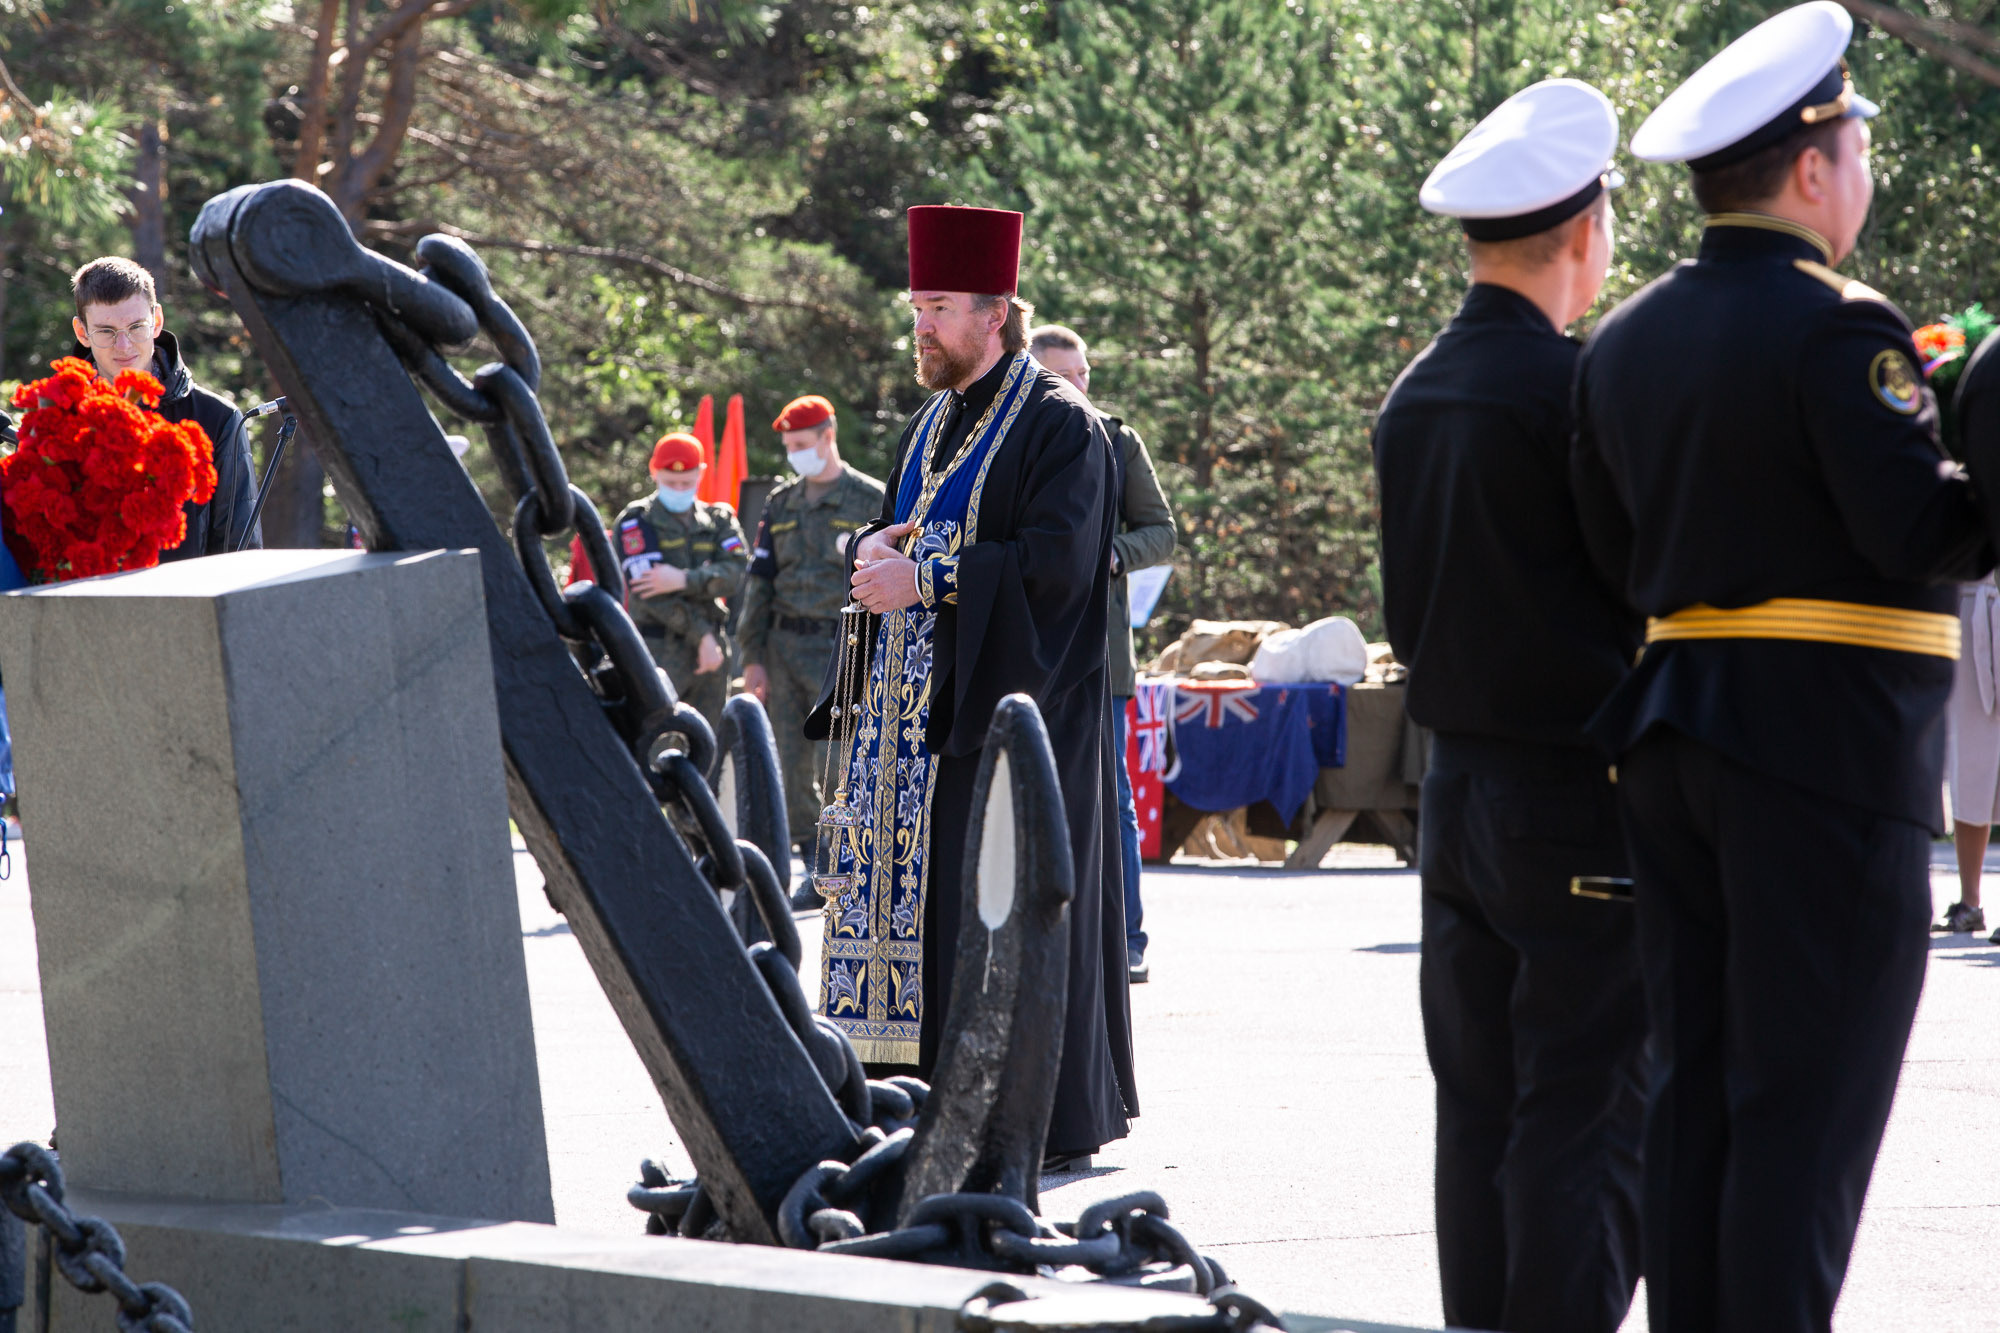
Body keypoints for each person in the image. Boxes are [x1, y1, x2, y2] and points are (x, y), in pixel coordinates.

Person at [1570, 7, 1993, 1330]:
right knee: (1805, 1110)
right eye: (1859, 149)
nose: (1864, 174)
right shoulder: (1836, 327)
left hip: (1675, 742)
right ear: (1813, 169)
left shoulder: (1627, 337)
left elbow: (1603, 545)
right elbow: (1924, 534)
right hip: (1826, 746)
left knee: (1697, 1090)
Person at [1374, 79, 1645, 1333]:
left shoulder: (1414, 392)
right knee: (1580, 1101)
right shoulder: (1572, 393)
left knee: (1473, 1098)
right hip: (1570, 791)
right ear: (1585, 232)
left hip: (1454, 787)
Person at [807, 204, 1135, 1168]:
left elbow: (1059, 567)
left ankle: (1030, 1119)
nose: (922, 326)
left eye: (939, 307)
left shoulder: (1062, 425)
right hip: (911, 727)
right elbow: (896, 536)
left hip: (1008, 717)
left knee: (1003, 906)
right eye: (917, 306)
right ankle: (915, 1102)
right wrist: (868, 551)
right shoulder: (931, 420)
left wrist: (933, 575)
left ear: (997, 312)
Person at [1028, 323, 1176, 985]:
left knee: (1110, 796)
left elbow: (1161, 532)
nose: (1081, 387)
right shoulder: (1017, 442)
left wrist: (1115, 554)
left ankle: (1127, 935)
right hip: (1028, 648)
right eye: (1066, 377)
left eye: (1085, 373)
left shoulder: (1116, 439)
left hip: (1102, 650)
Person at [736, 394, 886, 910]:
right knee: (789, 764)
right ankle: (808, 864)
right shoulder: (780, 503)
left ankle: (836, 866)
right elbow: (759, 583)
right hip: (781, 648)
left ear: (828, 436)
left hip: (841, 648)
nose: (793, 454)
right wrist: (751, 657)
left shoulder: (872, 499)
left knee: (836, 764)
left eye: (800, 444)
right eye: (787, 446)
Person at [69, 257, 259, 558]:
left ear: (156, 321)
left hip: (185, 602)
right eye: (106, 331)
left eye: (136, 327)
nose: (124, 345)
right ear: (82, 332)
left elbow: (239, 550)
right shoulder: (59, 415)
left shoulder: (217, 418)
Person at [614, 431, 748, 734]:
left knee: (707, 747)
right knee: (651, 741)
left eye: (686, 482)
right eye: (670, 482)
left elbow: (736, 575)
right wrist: (701, 636)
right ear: (653, 471)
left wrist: (683, 579)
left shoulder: (718, 519)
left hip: (712, 659)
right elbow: (650, 592)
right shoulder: (636, 521)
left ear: (701, 474)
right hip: (658, 650)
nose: (678, 489)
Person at [1954, 331, 2000, 940]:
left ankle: (1969, 900)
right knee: (1972, 753)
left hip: (1975, 587)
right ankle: (1968, 898)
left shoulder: (1985, 359)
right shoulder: (1986, 360)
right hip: (1977, 590)